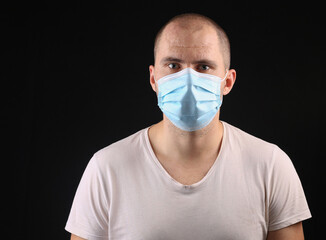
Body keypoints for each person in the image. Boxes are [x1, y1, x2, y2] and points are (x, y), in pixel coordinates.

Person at [65, 13, 311, 240]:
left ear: (227, 81)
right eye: (173, 66)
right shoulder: (107, 168)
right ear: (154, 79)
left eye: (203, 67)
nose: (188, 79)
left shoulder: (270, 165)